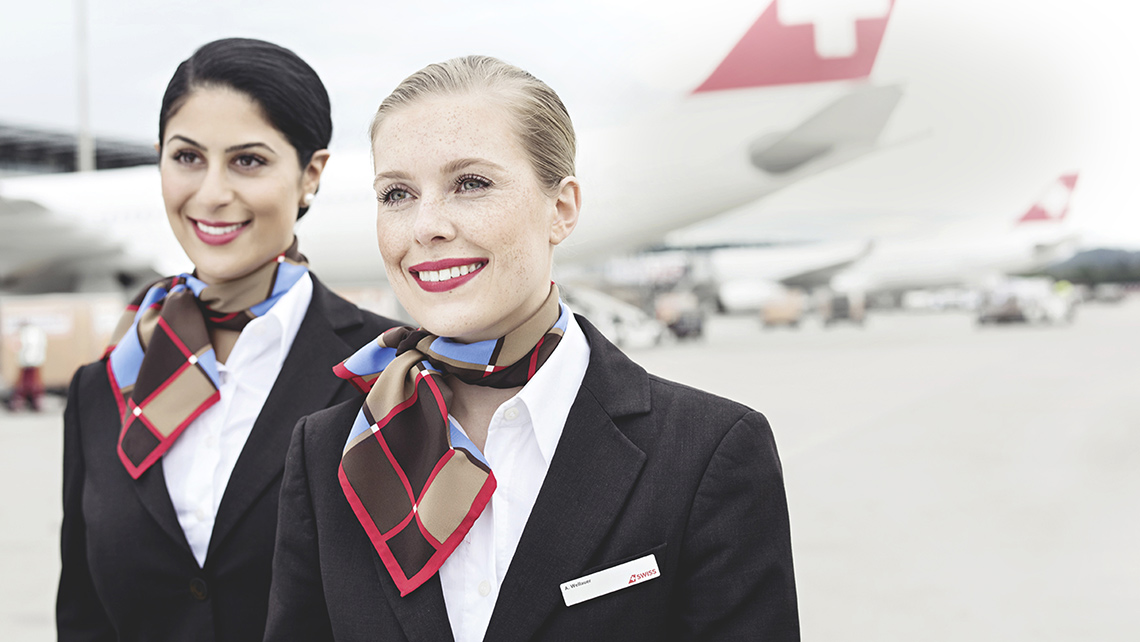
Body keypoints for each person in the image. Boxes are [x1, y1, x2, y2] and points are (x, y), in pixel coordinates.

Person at [266, 56, 799, 641]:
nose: (426, 226)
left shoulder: (708, 452)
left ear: (562, 208)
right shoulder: (327, 453)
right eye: (397, 194)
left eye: (471, 183)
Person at [57, 38, 399, 642]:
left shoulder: (384, 369)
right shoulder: (104, 385)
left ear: (310, 174)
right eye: (187, 157)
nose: (212, 193)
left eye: (248, 161)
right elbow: (83, 616)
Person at [11, 321, 47, 411]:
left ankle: (27, 402)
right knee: (31, 383)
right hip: (33, 360)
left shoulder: (27, 333)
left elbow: (23, 346)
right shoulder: (36, 332)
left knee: (27, 383)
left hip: (28, 361)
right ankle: (34, 402)